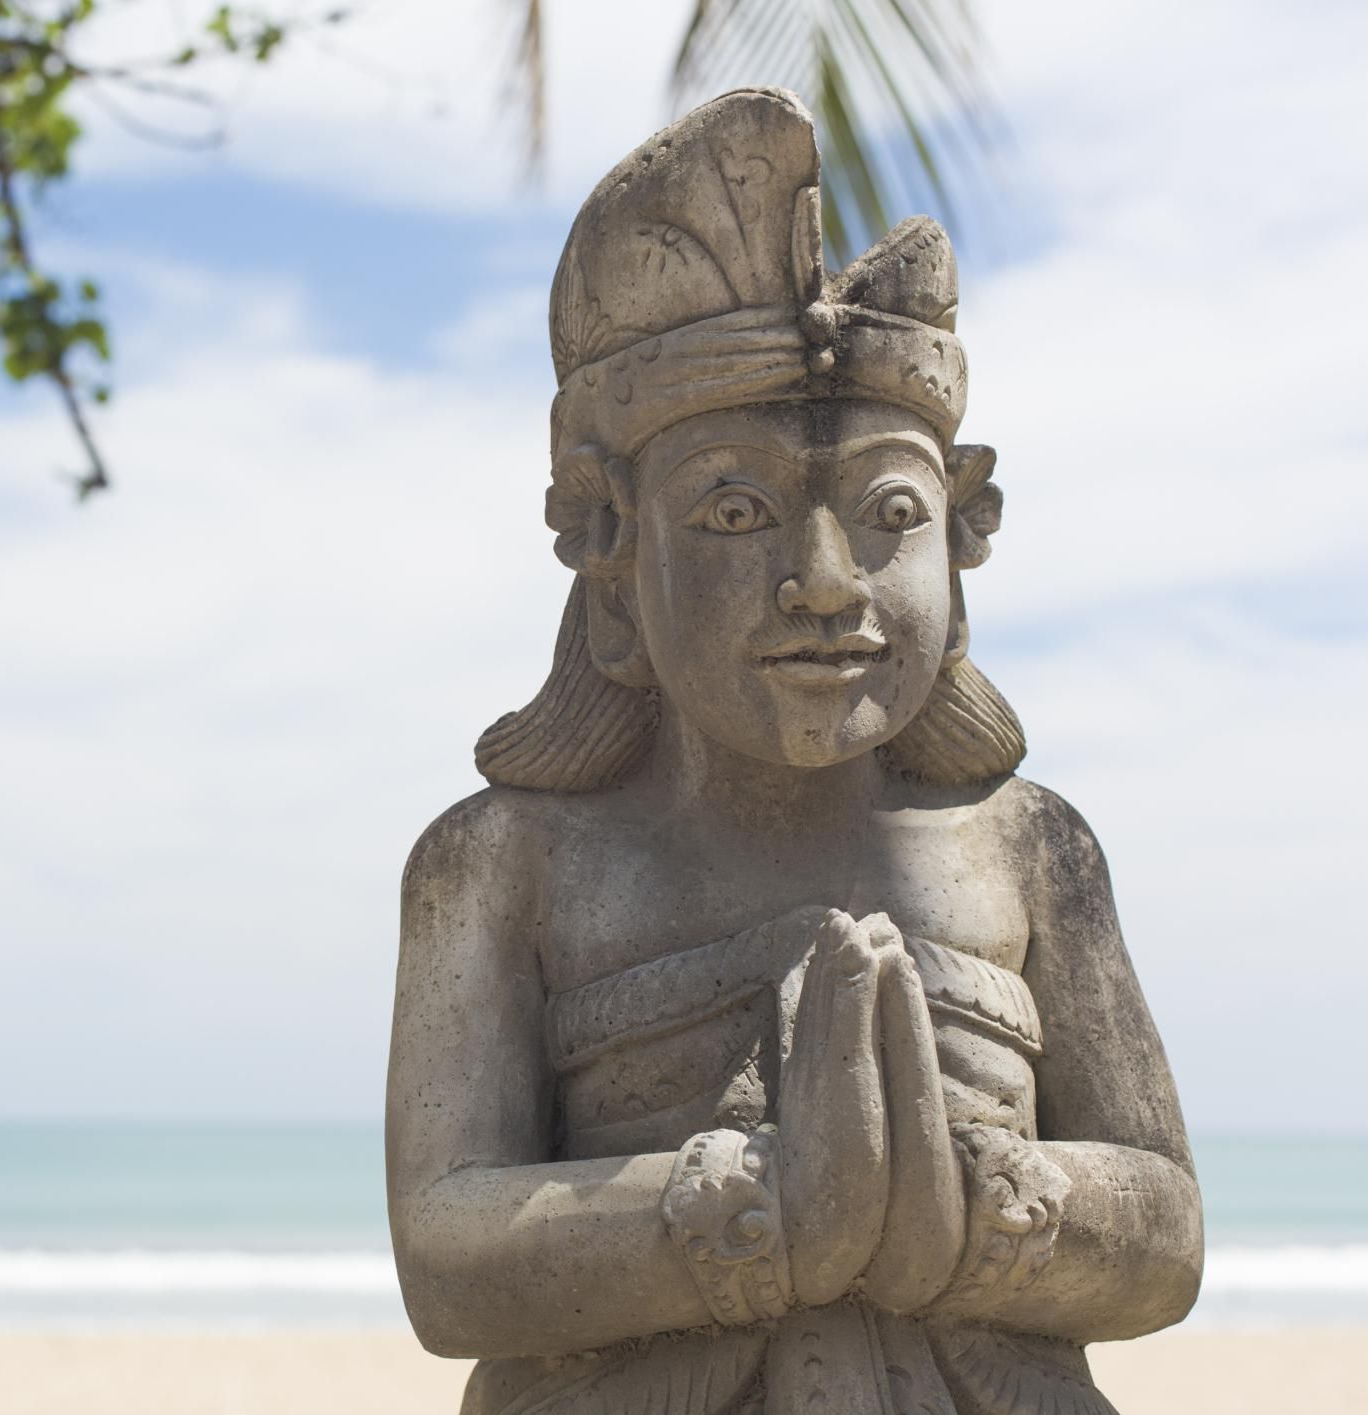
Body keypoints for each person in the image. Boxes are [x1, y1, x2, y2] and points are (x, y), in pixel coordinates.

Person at [385, 88, 1201, 1415]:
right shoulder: (506, 864)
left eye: (886, 511)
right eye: (732, 511)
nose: (824, 582)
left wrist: (975, 1218)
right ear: (608, 550)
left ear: (962, 532)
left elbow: (1162, 1236)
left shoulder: (1026, 848)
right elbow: (446, 1254)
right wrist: (761, 1214)